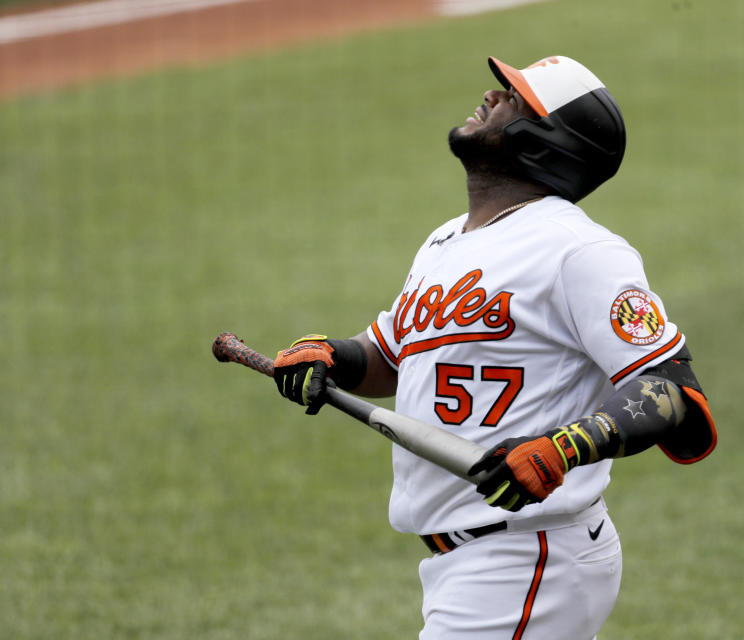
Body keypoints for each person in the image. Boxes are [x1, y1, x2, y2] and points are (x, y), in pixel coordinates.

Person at [272, 55, 717, 639]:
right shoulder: (445, 240)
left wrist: (565, 447)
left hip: (528, 556)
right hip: (471, 561)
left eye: (514, 97)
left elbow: (670, 390)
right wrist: (333, 357)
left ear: (544, 138)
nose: (491, 94)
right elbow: (391, 356)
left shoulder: (578, 250)